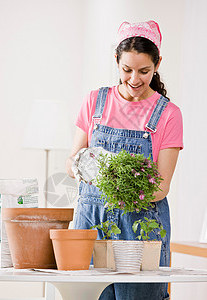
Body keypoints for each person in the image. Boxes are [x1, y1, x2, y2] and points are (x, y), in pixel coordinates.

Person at [66, 20, 183, 300]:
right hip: (91, 225)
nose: (134, 79)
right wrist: (82, 166)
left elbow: (161, 187)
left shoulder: (168, 114)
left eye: (144, 71)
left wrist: (124, 193)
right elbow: (72, 163)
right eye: (126, 69)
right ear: (116, 61)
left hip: (141, 229)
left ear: (157, 64)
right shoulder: (95, 101)